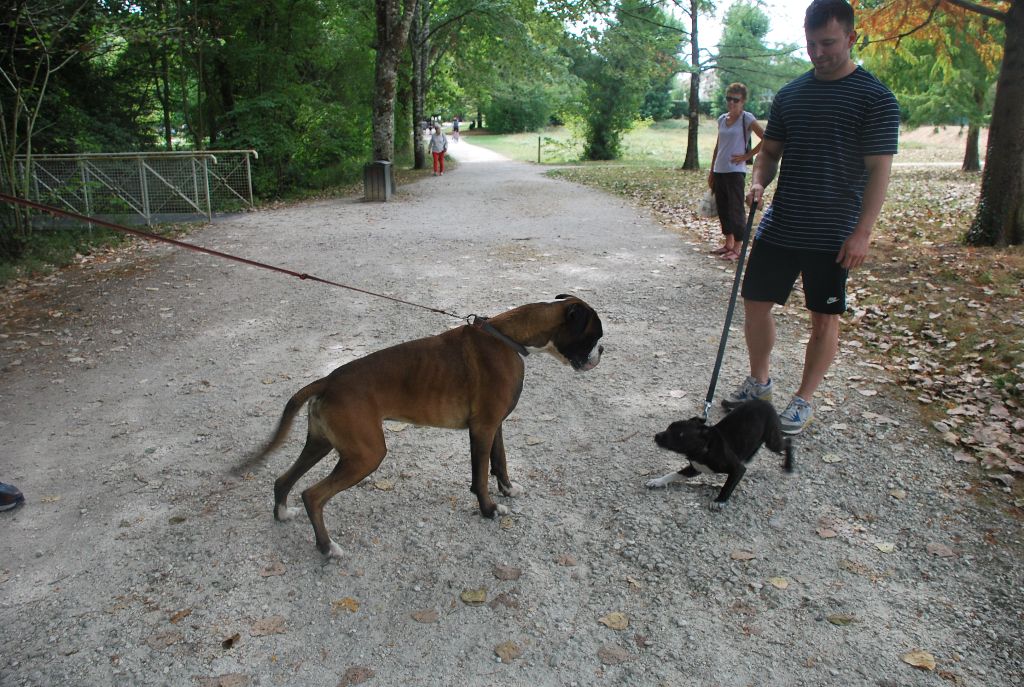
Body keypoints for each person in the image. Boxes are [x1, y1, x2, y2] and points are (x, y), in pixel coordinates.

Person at [723, 0, 900, 435]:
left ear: (852, 38)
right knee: (756, 306)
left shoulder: (876, 99)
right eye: (811, 44)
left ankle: (803, 400)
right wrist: (760, 181)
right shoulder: (791, 95)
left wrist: (863, 233)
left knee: (824, 318)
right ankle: (760, 383)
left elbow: (879, 170)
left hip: (834, 232)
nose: (818, 53)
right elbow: (770, 154)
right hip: (782, 223)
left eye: (828, 43)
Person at [708, 83, 764, 261]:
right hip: (720, 169)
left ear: (743, 101)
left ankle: (738, 248)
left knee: (735, 209)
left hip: (735, 172)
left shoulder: (747, 119)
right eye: (729, 99)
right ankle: (728, 243)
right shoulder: (722, 119)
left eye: (736, 100)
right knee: (723, 208)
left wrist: (748, 155)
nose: (732, 103)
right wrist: (712, 170)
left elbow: (766, 137)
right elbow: (719, 145)